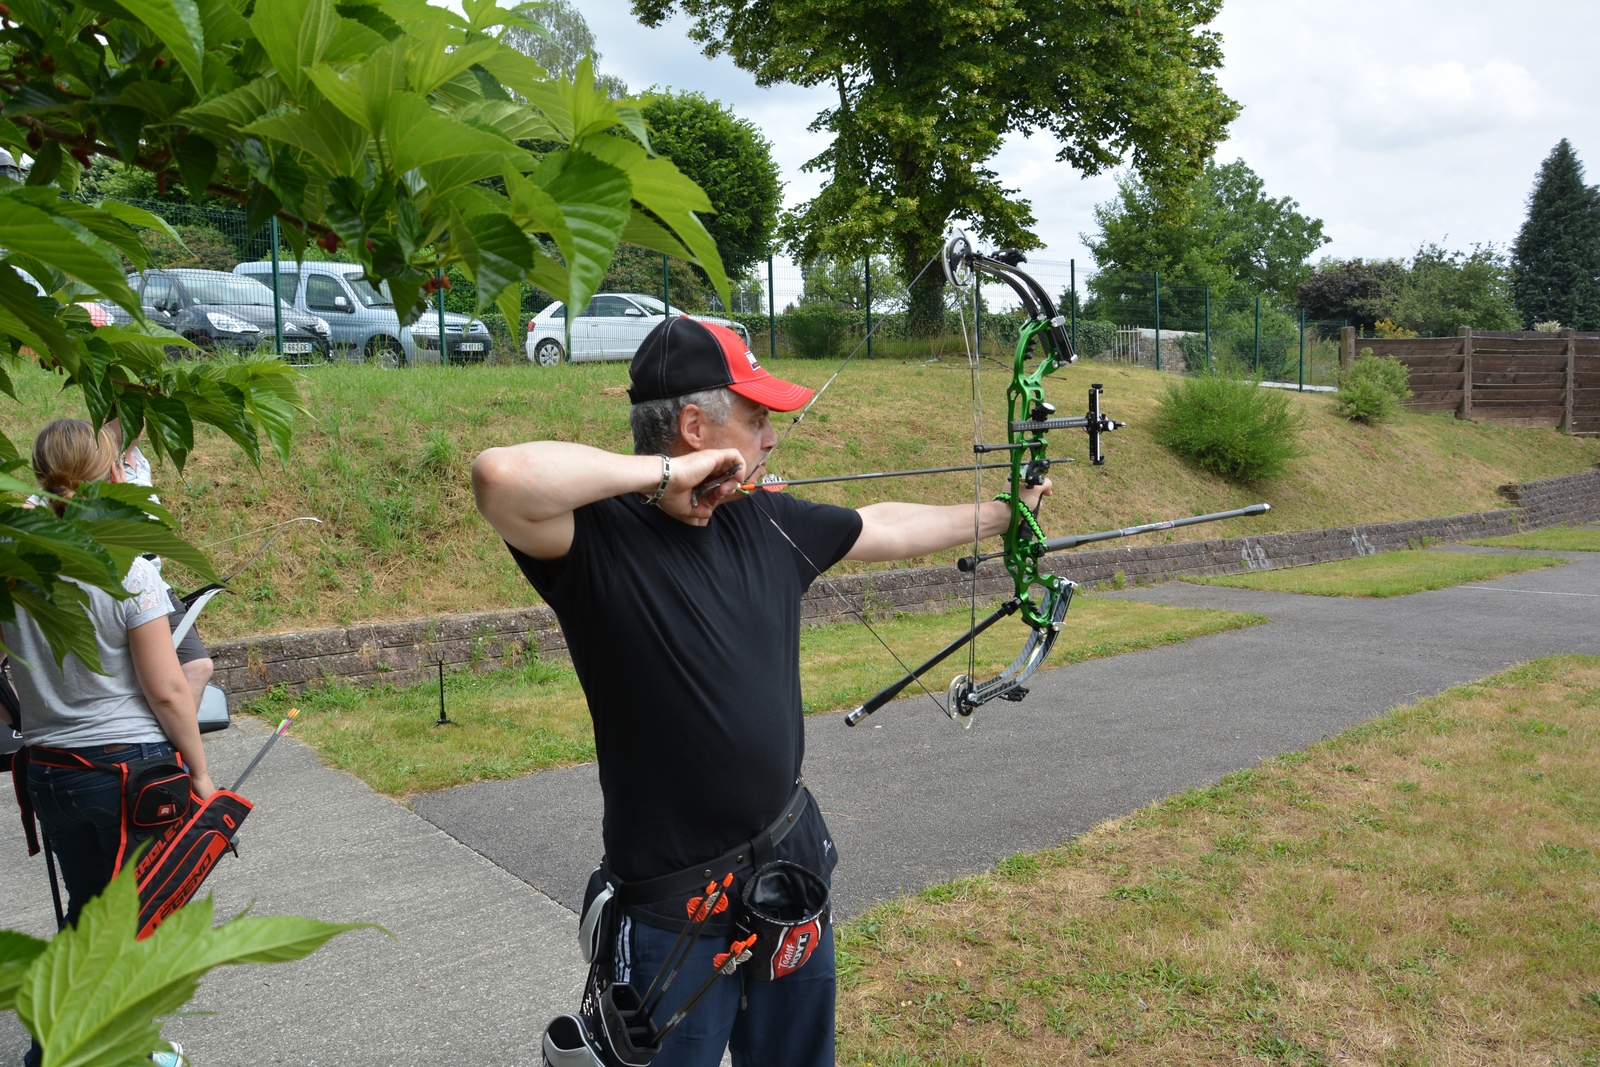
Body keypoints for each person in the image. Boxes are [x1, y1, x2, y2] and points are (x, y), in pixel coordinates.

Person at [473, 318, 1050, 1067]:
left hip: (787, 871)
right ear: (694, 427)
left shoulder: (765, 519)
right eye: (756, 418)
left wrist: (1006, 515)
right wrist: (665, 475)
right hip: (673, 907)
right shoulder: (597, 540)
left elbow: (880, 524)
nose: (772, 437)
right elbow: (499, 477)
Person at [1, 419, 213, 1067]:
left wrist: (29, 715)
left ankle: (72, 1047)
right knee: (133, 922)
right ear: (113, 474)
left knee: (90, 915)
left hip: (50, 771)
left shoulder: (14, 568)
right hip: (127, 774)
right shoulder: (128, 567)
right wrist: (201, 773)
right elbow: (169, 691)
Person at [105, 418, 215, 705]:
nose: (140, 421)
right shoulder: (94, 458)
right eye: (131, 412)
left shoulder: (139, 459)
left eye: (144, 413)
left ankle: (170, 733)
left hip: (154, 582)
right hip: (120, 585)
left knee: (198, 666)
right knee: (154, 684)